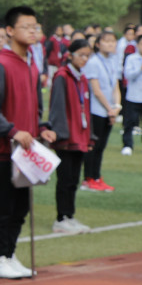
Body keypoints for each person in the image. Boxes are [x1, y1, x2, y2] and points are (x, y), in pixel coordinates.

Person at [0, 6, 52, 281]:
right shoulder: (1, 64)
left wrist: (41, 128)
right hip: (3, 148)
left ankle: (8, 253)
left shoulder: (31, 64)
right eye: (26, 27)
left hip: (26, 149)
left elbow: (35, 105)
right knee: (4, 204)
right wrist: (11, 131)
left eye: (35, 27)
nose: (33, 31)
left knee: (22, 205)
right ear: (10, 30)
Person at [48, 39, 94, 235]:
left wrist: (90, 136)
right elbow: (57, 107)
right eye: (80, 55)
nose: (84, 59)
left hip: (80, 136)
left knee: (74, 179)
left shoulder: (82, 78)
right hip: (67, 137)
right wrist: (61, 134)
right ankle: (61, 218)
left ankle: (70, 215)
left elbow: (87, 109)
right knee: (65, 179)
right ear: (70, 55)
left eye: (87, 56)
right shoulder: (62, 76)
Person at [83, 31, 123, 192]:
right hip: (97, 110)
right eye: (106, 41)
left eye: (113, 41)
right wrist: (109, 109)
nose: (110, 44)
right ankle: (88, 178)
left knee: (101, 146)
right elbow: (96, 90)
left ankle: (97, 177)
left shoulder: (113, 61)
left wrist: (117, 106)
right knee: (93, 145)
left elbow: (116, 86)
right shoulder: (93, 62)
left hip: (109, 110)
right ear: (98, 44)